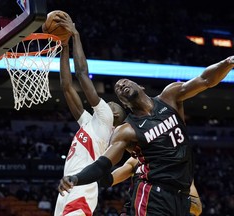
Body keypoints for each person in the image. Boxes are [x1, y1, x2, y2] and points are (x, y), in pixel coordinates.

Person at [58, 55, 234, 215]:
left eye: (125, 81)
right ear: (124, 104)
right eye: (118, 89)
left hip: (180, 195)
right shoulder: (127, 131)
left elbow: (205, 80)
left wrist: (228, 62)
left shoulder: (170, 96)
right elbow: (103, 166)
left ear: (140, 86)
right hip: (153, 195)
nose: (121, 85)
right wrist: (77, 178)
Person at [53, 13, 126, 216]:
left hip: (82, 191)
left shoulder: (106, 119)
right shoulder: (90, 122)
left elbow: (82, 74)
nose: (111, 102)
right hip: (68, 187)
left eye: (116, 105)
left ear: (116, 117)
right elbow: (67, 87)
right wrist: (64, 46)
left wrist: (75, 35)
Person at [100, 157, 202, 216]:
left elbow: (197, 208)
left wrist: (166, 196)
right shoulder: (137, 160)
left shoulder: (180, 169)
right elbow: (108, 181)